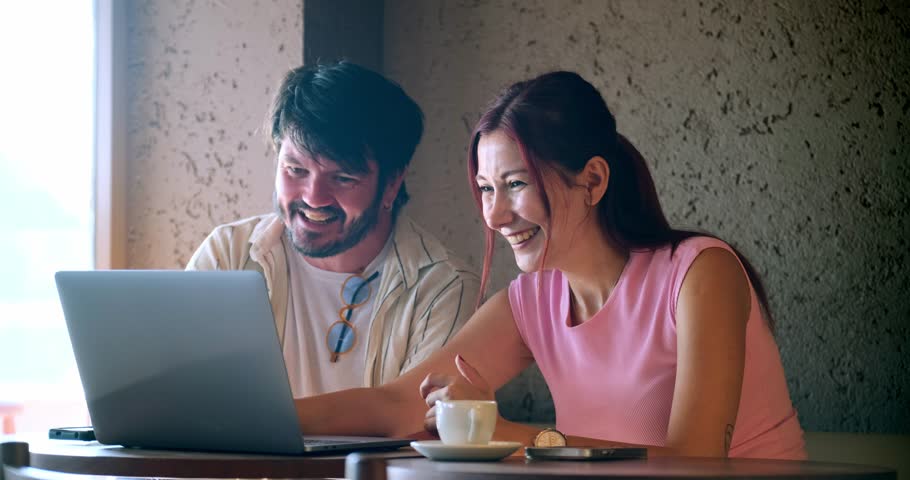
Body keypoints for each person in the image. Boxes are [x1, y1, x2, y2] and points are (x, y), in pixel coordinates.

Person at [293, 71, 806, 459]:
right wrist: (264, 420)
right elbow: (394, 407)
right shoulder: (530, 302)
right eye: (487, 190)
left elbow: (694, 466)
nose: (494, 215)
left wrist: (506, 433)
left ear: (594, 181)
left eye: (516, 184)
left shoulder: (700, 273)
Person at [186, 62, 479, 397]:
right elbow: (180, 391)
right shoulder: (229, 254)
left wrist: (275, 420)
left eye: (342, 178)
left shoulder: (442, 289)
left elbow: (417, 418)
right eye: (295, 170)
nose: (314, 198)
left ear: (392, 183)